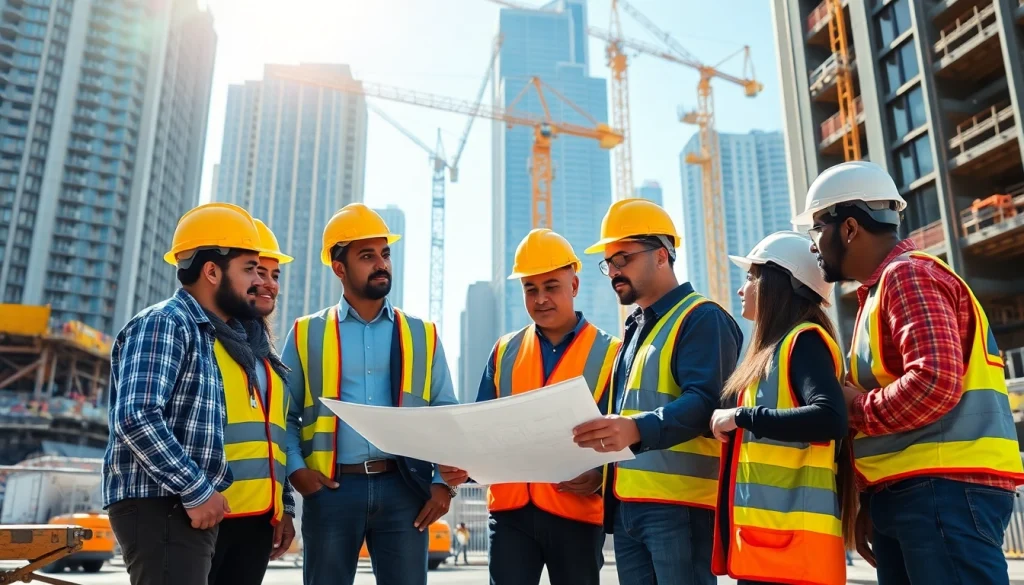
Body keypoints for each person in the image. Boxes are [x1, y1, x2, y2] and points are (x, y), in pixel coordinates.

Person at [798, 161, 1024, 584]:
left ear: (848, 228)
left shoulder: (907, 276)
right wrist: (871, 499)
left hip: (942, 492)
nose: (814, 245)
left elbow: (935, 382)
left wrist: (855, 408)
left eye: (816, 230)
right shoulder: (880, 292)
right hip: (915, 495)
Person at [281, 203, 460, 585]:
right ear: (339, 267)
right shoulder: (304, 333)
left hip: (405, 490)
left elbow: (446, 413)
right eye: (367, 256)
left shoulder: (422, 334)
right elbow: (284, 414)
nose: (381, 264)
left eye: (385, 254)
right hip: (331, 490)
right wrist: (297, 471)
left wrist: (444, 486)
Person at [572, 198, 743, 585]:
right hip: (630, 506)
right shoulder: (635, 328)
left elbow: (706, 404)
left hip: (680, 507)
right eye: (609, 263)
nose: (613, 271)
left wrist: (636, 430)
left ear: (662, 256)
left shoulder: (703, 318)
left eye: (623, 259)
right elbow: (622, 411)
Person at [439, 229, 621, 585]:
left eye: (551, 286)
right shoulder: (504, 351)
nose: (540, 299)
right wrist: (464, 465)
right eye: (530, 289)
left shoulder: (611, 353)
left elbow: (624, 435)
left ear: (574, 284)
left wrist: (600, 478)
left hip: (578, 515)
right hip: (510, 516)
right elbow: (482, 427)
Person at [102, 203, 266, 585]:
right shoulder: (165, 323)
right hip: (163, 507)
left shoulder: (202, 332)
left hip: (176, 508)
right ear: (211, 271)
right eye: (248, 269)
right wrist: (197, 490)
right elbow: (136, 415)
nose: (256, 282)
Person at [707, 231, 854, 585]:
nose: (742, 289)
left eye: (750, 277)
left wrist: (742, 417)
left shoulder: (803, 342)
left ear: (778, 283)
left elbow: (831, 417)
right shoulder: (776, 352)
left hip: (793, 551)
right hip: (772, 546)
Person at [207, 218, 297, 585]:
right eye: (258, 271)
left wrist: (285, 508)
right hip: (207, 513)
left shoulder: (269, 360)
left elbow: (274, 440)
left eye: (275, 275)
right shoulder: (204, 339)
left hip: (259, 519)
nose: (269, 284)